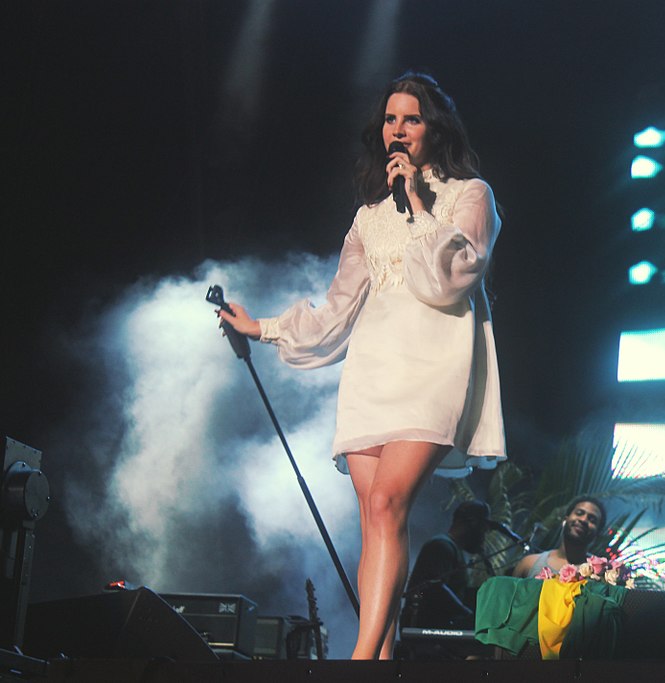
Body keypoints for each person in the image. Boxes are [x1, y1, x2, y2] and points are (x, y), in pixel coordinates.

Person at [217, 71, 506, 660]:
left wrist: (422, 207)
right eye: (391, 119)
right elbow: (336, 311)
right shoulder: (368, 217)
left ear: (435, 128)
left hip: (433, 366)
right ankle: (378, 655)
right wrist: (262, 327)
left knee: (386, 504)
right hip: (374, 368)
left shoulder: (468, 195)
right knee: (376, 520)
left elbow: (454, 278)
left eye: (413, 119)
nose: (398, 130)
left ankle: (359, 657)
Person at [401, 499, 494, 631]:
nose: (484, 535)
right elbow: (436, 587)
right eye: (483, 529)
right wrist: (467, 614)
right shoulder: (441, 546)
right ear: (472, 523)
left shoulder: (453, 548)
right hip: (425, 634)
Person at [511, 496, 606, 578]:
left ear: (597, 533)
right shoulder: (529, 563)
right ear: (565, 519)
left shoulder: (599, 575)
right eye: (579, 513)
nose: (583, 520)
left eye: (592, 519)